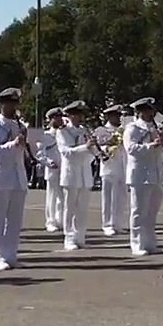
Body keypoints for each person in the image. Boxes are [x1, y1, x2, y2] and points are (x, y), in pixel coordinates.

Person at [0, 88, 31, 271]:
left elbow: (24, 153)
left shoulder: (20, 126)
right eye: (9, 103)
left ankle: (11, 254)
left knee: (15, 220)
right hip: (1, 177)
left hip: (19, 176)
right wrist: (12, 144)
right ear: (1, 105)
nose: (13, 107)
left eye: (15, 103)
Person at [124, 97, 163, 256]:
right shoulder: (133, 128)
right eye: (148, 110)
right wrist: (152, 145)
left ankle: (149, 242)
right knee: (139, 210)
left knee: (152, 211)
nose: (151, 113)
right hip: (140, 174)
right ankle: (137, 243)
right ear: (140, 111)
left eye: (152, 110)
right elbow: (131, 149)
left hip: (156, 173)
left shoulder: (156, 128)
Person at [57, 101, 98, 251]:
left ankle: (80, 236)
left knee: (82, 208)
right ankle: (69, 238)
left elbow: (91, 155)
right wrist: (85, 147)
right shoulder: (63, 132)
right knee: (70, 208)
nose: (80, 117)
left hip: (85, 174)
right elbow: (66, 153)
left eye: (81, 114)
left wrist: (96, 149)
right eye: (76, 114)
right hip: (71, 174)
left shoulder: (85, 131)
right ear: (70, 115)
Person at [96, 104, 129, 238]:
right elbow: (97, 147)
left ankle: (118, 223)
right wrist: (109, 144)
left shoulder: (124, 130)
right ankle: (108, 224)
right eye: (116, 115)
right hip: (109, 167)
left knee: (121, 197)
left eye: (119, 115)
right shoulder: (101, 130)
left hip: (122, 166)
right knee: (108, 198)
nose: (119, 118)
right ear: (109, 116)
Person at [37, 108, 65, 233]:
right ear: (51, 119)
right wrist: (48, 162)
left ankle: (61, 220)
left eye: (60, 117)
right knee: (52, 197)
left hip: (65, 168)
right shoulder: (46, 135)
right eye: (56, 117)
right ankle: (51, 221)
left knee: (63, 197)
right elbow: (39, 153)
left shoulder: (64, 133)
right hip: (52, 169)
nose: (59, 120)